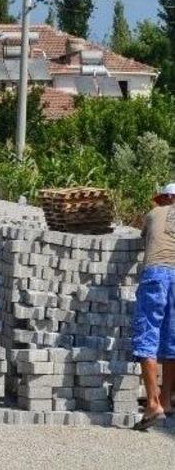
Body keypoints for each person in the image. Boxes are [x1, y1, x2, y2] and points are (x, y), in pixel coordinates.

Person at [133, 183, 175, 430]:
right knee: (171, 339)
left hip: (156, 274)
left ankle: (152, 403)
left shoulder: (152, 214)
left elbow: (143, 239)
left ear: (167, 197)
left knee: (147, 333)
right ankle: (167, 400)